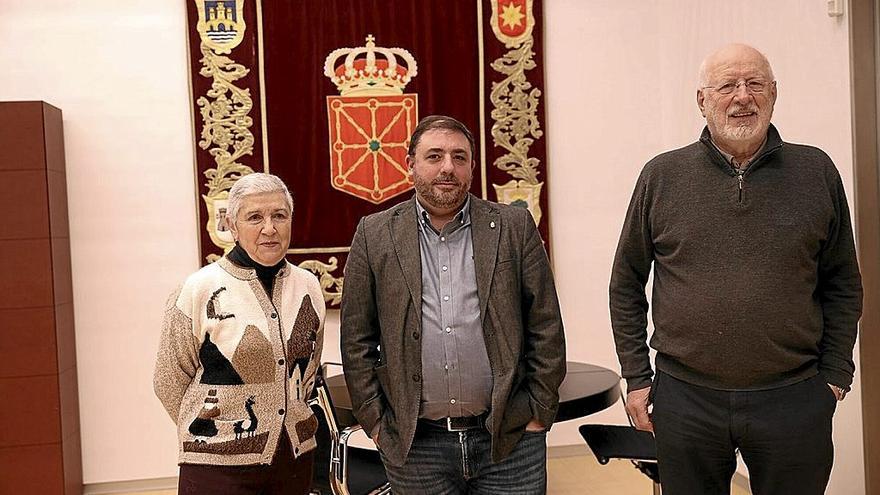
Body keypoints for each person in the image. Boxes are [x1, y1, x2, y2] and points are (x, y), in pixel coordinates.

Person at [610, 43, 863, 495]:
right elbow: (626, 282)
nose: (742, 96)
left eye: (755, 84)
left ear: (774, 93)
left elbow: (843, 282)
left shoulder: (816, 171)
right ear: (702, 101)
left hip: (795, 395)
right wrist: (637, 378)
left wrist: (835, 376)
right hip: (685, 398)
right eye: (727, 85)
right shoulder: (661, 176)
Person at [340, 115, 566, 494]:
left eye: (459, 157)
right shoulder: (375, 233)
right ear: (409, 163)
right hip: (416, 446)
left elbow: (545, 323)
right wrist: (377, 423)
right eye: (435, 156)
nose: (448, 167)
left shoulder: (513, 226)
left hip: (508, 440)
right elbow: (356, 338)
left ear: (471, 167)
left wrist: (538, 410)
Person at [154, 173, 325, 495]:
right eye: (254, 218)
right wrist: (213, 431)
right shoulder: (198, 289)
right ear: (232, 226)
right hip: (216, 469)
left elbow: (308, 369)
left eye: (279, 216)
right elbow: (168, 378)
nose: (269, 228)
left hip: (292, 459)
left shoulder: (308, 285)